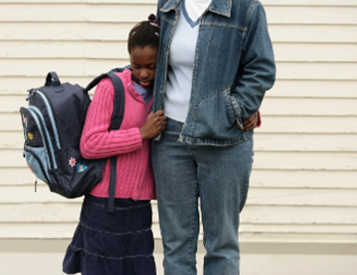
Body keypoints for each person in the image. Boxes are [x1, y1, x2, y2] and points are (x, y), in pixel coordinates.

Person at [151, 0, 276, 274]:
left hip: (225, 140)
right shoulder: (167, 5)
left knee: (221, 246)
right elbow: (150, 58)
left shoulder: (246, 9)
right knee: (176, 247)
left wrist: (237, 109)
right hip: (170, 137)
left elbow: (262, 67)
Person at [62, 15, 166, 275]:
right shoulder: (112, 88)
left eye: (151, 66)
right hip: (104, 207)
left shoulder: (164, 92)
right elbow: (90, 144)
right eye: (136, 65)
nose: (143, 73)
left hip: (139, 208)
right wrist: (140, 133)